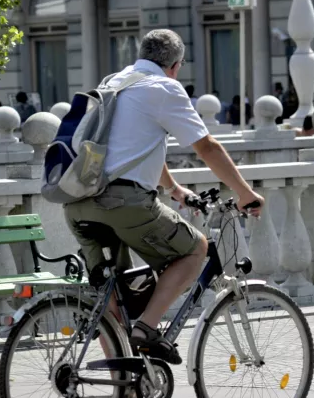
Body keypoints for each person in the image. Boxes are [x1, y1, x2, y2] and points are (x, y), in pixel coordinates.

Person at [64, 29, 265, 370]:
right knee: (195, 250)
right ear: (176, 65)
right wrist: (246, 193)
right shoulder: (164, 88)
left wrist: (175, 189)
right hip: (124, 204)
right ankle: (146, 329)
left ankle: (123, 392)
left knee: (110, 293)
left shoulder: (116, 81)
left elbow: (134, 150)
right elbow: (206, 147)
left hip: (77, 202)